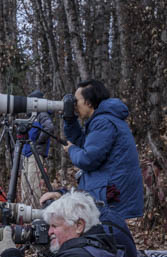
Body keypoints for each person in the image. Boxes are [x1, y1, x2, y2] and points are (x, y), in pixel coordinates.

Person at [59, 79, 143, 220]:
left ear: (88, 102)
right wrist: (70, 120)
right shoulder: (104, 119)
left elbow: (88, 159)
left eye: (76, 101)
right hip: (112, 191)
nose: (75, 106)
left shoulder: (103, 122)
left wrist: (72, 150)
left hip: (112, 195)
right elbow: (85, 144)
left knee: (108, 238)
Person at [21, 90, 54, 208]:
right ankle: (24, 211)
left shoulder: (42, 114)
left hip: (35, 154)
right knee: (25, 185)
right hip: (26, 153)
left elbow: (49, 128)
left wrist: (38, 142)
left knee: (33, 185)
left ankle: (35, 212)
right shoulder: (31, 116)